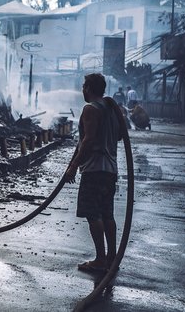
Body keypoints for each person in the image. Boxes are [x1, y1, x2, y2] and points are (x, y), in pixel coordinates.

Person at [65, 73, 122, 273]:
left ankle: (100, 259)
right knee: (107, 214)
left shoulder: (90, 109)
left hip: (94, 169)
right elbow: (121, 136)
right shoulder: (112, 110)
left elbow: (88, 141)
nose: (82, 90)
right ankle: (111, 258)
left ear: (88, 88)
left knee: (93, 213)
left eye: (84, 86)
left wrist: (73, 166)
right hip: (110, 170)